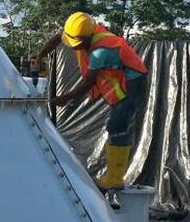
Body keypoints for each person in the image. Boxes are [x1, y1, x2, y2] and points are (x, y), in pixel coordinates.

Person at [35, 12, 148, 190]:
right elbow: (58, 38)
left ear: (88, 38)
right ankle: (113, 177)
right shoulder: (77, 32)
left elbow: (88, 83)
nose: (74, 48)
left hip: (134, 79)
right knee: (116, 123)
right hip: (117, 72)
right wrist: (39, 56)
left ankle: (115, 179)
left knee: (117, 125)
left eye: (78, 45)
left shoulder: (100, 51)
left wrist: (65, 98)